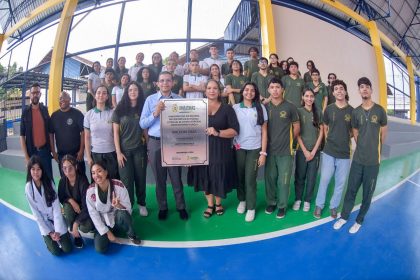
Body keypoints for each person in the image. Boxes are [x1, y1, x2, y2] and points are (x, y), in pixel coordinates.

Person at [333, 77, 387, 234]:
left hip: (372, 162)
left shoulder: (380, 110)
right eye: (361, 87)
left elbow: (383, 133)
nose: (364, 89)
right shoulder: (356, 112)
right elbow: (355, 132)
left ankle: (359, 220)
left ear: (371, 90)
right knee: (351, 190)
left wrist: (375, 148)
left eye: (367, 87)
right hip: (357, 160)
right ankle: (344, 217)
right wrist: (362, 145)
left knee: (367, 194)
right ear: (358, 90)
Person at [140, 71, 188, 220]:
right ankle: (163, 207)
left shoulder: (179, 99)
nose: (165, 83)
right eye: (162, 81)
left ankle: (181, 207)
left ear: (172, 82)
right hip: (155, 142)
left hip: (173, 143)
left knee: (176, 177)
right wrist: (155, 113)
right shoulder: (150, 100)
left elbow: (187, 122)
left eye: (168, 80)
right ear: (157, 83)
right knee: (159, 179)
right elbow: (142, 123)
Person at [187, 79, 239, 218]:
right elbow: (189, 130)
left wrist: (218, 132)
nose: (212, 90)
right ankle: (210, 205)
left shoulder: (227, 108)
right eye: (209, 88)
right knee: (205, 176)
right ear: (205, 91)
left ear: (219, 91)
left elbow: (235, 130)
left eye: (215, 88)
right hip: (201, 149)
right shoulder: (197, 107)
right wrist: (187, 154)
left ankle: (218, 203)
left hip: (221, 149)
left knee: (218, 175)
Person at [314, 79, 353, 219]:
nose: (339, 91)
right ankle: (319, 204)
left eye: (341, 88)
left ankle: (334, 206)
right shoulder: (329, 109)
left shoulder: (352, 111)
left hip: (344, 153)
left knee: (340, 182)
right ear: (333, 92)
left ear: (345, 91)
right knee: (325, 179)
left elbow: (354, 131)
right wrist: (327, 137)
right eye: (336, 89)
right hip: (329, 151)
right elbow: (324, 126)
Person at [86, 161, 141, 253]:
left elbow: (129, 209)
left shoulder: (118, 185)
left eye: (99, 171)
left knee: (122, 213)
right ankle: (107, 232)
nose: (96, 175)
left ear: (106, 172)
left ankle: (131, 234)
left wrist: (118, 205)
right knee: (100, 249)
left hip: (117, 218)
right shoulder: (90, 191)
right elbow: (93, 214)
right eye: (93, 173)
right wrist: (107, 232)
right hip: (103, 223)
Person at [264, 78, 300, 219]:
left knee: (283, 181)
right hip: (269, 151)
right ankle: (271, 202)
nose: (275, 90)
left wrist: (288, 140)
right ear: (268, 90)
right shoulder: (265, 107)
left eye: (278, 87)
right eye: (272, 87)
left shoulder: (290, 107)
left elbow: (296, 127)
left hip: (286, 151)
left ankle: (282, 206)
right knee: (270, 179)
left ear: (282, 89)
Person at [112, 81, 148, 217]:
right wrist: (118, 153)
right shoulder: (120, 110)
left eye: (135, 90)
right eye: (130, 90)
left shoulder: (143, 108)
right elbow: (115, 133)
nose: (133, 92)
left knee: (140, 178)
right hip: (124, 152)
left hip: (140, 150)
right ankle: (129, 205)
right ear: (126, 93)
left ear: (139, 92)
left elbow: (145, 129)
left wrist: (148, 148)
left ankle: (142, 204)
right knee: (127, 181)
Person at [233, 82, 267, 222]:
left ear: (256, 93)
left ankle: (251, 207)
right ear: (242, 92)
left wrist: (263, 153)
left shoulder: (261, 108)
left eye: (252, 90)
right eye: (246, 90)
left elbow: (264, 132)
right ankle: (242, 200)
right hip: (239, 148)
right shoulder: (235, 108)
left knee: (250, 179)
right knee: (240, 177)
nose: (249, 92)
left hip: (255, 148)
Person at [25, 155, 72, 255]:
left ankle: (65, 233)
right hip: (45, 224)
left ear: (42, 170)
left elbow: (56, 208)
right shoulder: (28, 188)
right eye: (33, 169)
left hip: (56, 219)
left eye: (38, 169)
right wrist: (50, 233)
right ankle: (47, 240)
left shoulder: (49, 183)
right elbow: (36, 214)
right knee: (56, 252)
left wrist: (58, 231)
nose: (36, 172)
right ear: (29, 170)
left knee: (67, 249)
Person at [293, 88, 323, 212]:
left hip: (315, 151)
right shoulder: (298, 111)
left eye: (311, 96)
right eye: (307, 96)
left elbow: (321, 132)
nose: (309, 98)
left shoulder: (318, 112)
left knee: (312, 177)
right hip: (301, 150)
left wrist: (314, 150)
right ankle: (298, 199)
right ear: (303, 97)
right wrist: (305, 151)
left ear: (314, 98)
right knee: (300, 176)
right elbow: (297, 133)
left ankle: (307, 200)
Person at [58, 155, 93, 249]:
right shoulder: (62, 181)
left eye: (70, 168)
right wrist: (71, 200)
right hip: (73, 210)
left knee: (86, 227)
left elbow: (87, 207)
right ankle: (76, 235)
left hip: (85, 211)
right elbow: (61, 197)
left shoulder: (83, 181)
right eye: (64, 168)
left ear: (76, 167)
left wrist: (76, 223)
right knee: (67, 207)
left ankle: (74, 225)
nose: (67, 171)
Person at [20, 83, 53, 179]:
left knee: (49, 178)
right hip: (32, 153)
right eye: (33, 93)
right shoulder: (25, 112)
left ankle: (51, 194)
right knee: (33, 181)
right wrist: (26, 157)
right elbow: (22, 136)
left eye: (37, 92)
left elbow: (50, 132)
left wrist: (53, 151)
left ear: (40, 94)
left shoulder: (44, 110)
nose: (35, 95)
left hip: (45, 151)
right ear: (30, 94)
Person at [84, 85, 118, 179]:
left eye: (104, 93)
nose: (101, 95)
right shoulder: (89, 114)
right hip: (95, 154)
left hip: (111, 153)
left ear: (107, 97)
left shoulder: (112, 113)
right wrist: (89, 157)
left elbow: (116, 134)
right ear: (95, 96)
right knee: (97, 181)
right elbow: (86, 138)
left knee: (112, 179)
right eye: (98, 93)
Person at [49, 91, 85, 177]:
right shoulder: (54, 116)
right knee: (65, 179)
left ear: (69, 100)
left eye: (65, 97)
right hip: (61, 155)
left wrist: (81, 150)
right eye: (60, 98)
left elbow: (83, 132)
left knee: (81, 178)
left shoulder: (77, 114)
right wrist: (53, 152)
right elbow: (51, 134)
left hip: (76, 154)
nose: (62, 100)